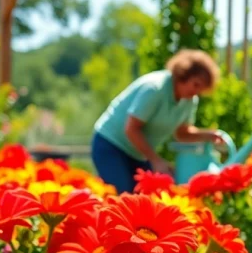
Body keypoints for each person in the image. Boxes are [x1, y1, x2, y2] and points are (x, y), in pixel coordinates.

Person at [92, 50, 223, 193]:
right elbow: (131, 129)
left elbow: (182, 133)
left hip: (137, 152)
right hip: (110, 144)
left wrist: (209, 135)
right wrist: (156, 160)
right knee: (122, 194)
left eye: (201, 89)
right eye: (196, 84)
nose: (196, 92)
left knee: (150, 195)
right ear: (183, 74)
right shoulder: (154, 88)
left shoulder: (190, 100)